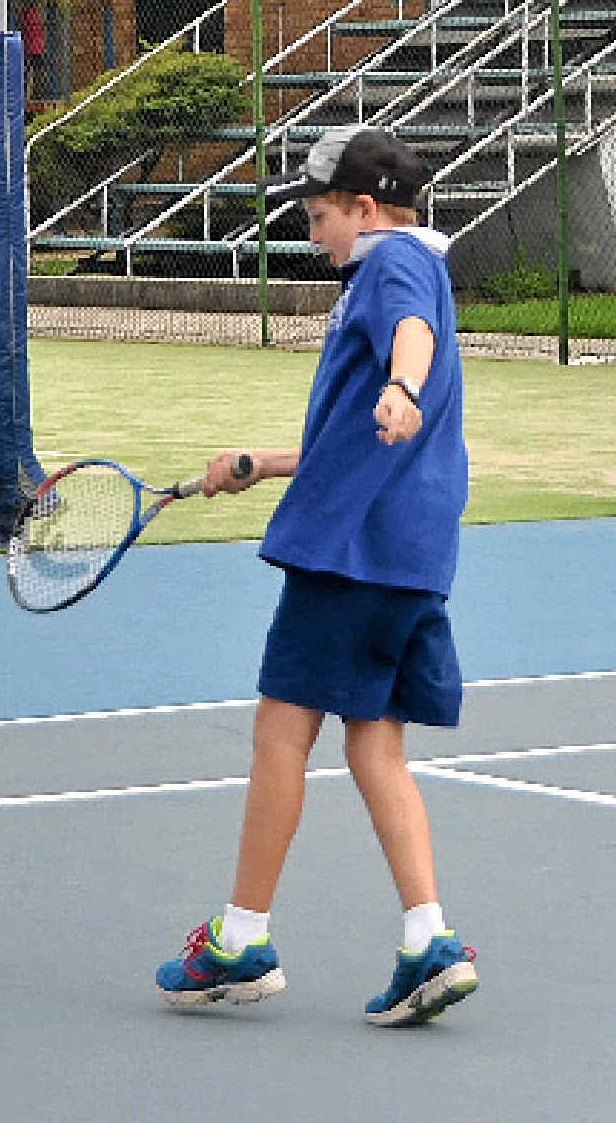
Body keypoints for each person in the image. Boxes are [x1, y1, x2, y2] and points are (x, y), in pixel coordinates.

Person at [155, 125, 477, 1026]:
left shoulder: (390, 267)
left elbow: (407, 339)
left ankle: (240, 939)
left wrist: (403, 388)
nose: (311, 232)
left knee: (279, 732)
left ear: (365, 210)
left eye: (318, 213)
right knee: (373, 741)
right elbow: (361, 434)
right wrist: (265, 460)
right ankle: (429, 942)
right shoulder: (413, 267)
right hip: (408, 556)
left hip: (352, 553)